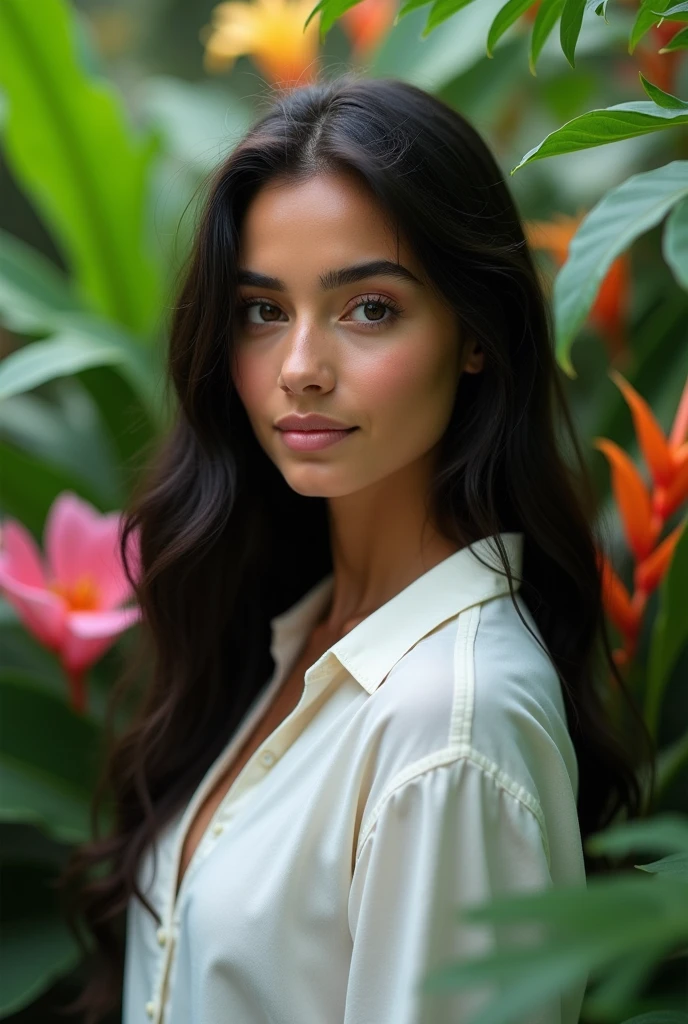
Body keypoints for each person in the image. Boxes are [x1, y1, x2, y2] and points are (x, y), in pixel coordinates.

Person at [60, 74, 653, 1024]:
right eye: (262, 310)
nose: (300, 369)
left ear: (475, 334)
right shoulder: (301, 630)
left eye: (368, 308)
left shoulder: (448, 731)